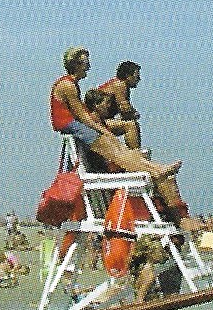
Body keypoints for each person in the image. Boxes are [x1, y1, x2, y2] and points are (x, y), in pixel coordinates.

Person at [49, 48, 185, 223]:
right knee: (117, 154)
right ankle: (156, 170)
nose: (89, 66)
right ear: (76, 64)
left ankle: (156, 168)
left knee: (119, 149)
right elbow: (82, 115)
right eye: (85, 63)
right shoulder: (67, 85)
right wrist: (104, 131)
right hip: (74, 127)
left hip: (76, 126)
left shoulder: (70, 83)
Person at [91, 60, 144, 150]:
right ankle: (137, 157)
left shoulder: (122, 86)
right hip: (95, 122)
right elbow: (124, 109)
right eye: (137, 76)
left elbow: (126, 111)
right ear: (128, 76)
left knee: (132, 124)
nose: (139, 79)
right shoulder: (120, 85)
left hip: (101, 121)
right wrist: (134, 113)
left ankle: (134, 154)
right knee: (131, 125)